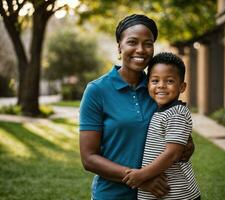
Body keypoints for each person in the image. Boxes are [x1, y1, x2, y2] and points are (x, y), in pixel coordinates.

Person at [79, 14, 194, 200]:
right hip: (112, 195)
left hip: (158, 195)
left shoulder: (157, 89)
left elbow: (176, 136)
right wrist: (141, 179)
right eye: (132, 42)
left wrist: (188, 145)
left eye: (148, 43)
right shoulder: (97, 91)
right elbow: (89, 158)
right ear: (119, 46)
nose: (140, 50)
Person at [122, 52, 201, 200]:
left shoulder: (177, 112)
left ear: (182, 87)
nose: (161, 86)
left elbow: (172, 154)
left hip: (177, 193)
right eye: (155, 81)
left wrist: (141, 175)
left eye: (169, 81)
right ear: (147, 84)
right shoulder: (158, 111)